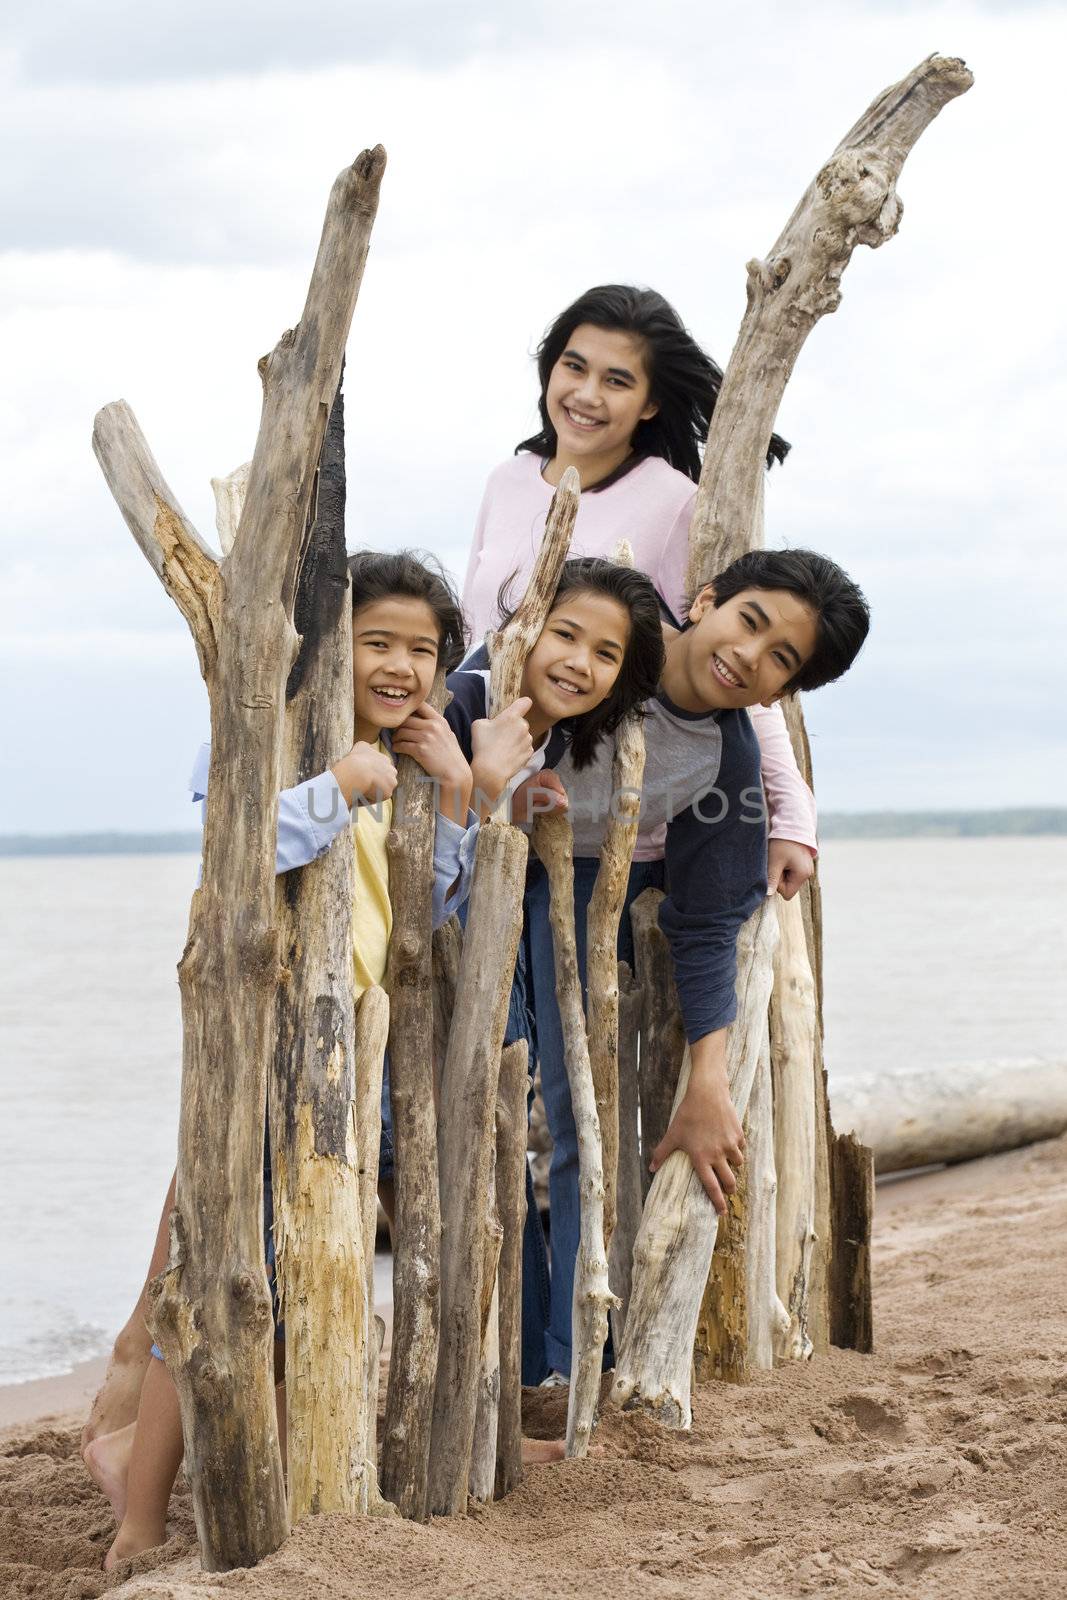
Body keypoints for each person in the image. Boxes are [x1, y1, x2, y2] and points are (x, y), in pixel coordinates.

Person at [94, 550, 486, 1569]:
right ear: (325, 648)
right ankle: (137, 1514)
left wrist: (451, 797)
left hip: (352, 1057)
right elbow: (232, 846)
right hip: (262, 1050)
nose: (401, 664)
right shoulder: (259, 740)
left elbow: (425, 915)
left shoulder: (398, 770)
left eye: (423, 649)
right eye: (378, 642)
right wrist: (329, 786)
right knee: (222, 1287)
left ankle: (275, 1499)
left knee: (314, 1282)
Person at [519, 547, 871, 1383]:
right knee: (479, 1109)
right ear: (706, 600)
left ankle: (566, 1369)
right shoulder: (602, 645)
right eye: (749, 622)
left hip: (591, 885)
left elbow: (709, 921)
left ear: (783, 693)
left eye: (781, 658)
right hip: (483, 868)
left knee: (585, 1125)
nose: (750, 655)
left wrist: (707, 1081)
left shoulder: (726, 759)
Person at [461, 282, 818, 901]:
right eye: (574, 367)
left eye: (618, 381)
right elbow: (472, 639)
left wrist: (790, 816)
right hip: (477, 795)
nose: (586, 395)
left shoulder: (674, 502)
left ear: (651, 403)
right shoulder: (507, 480)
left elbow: (727, 660)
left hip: (587, 825)